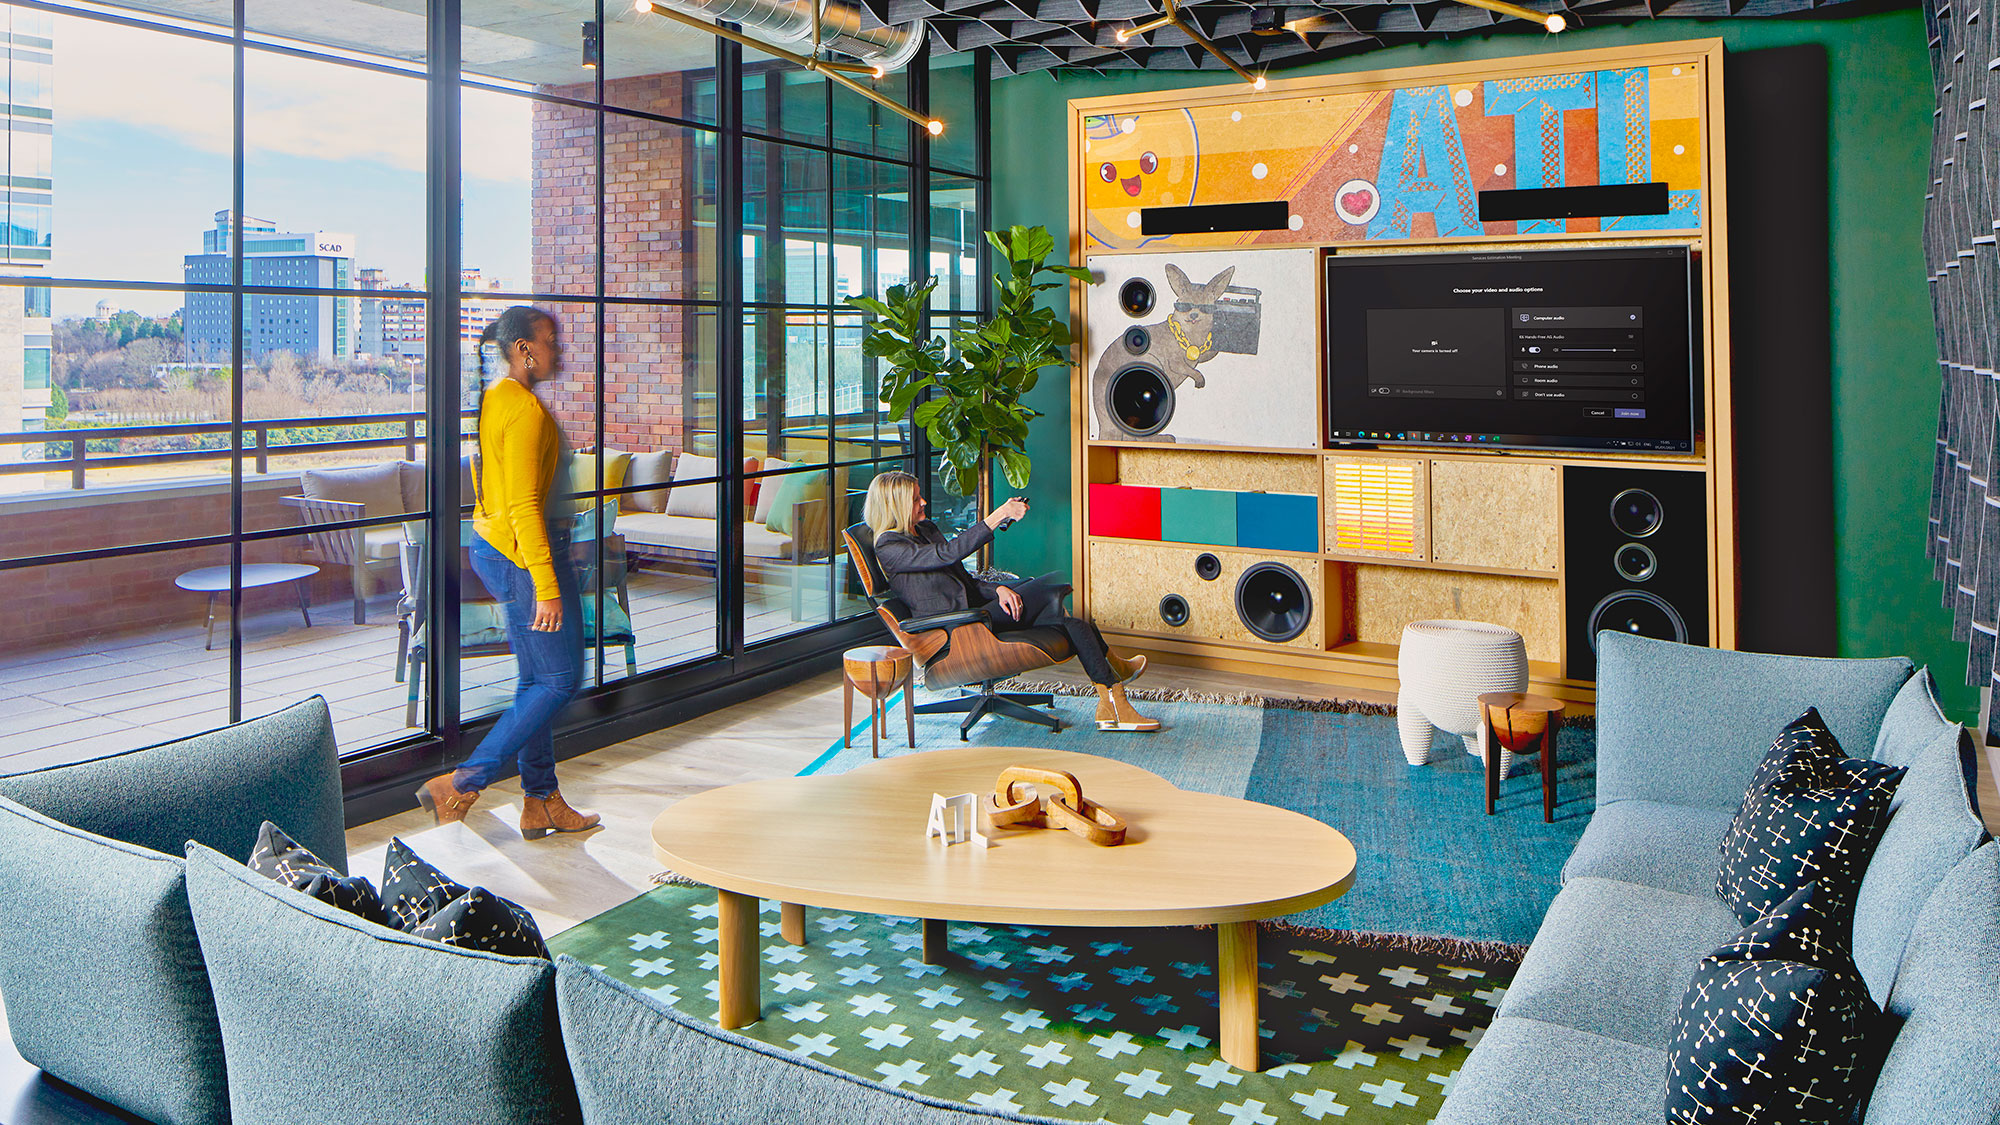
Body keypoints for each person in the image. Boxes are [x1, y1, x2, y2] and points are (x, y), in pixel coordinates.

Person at [417, 305, 602, 839]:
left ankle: (540, 800)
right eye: (549, 340)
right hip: (523, 555)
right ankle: (462, 782)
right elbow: (523, 504)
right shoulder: (522, 410)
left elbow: (489, 481)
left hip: (495, 545)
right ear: (523, 349)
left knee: (534, 680)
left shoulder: (497, 396)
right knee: (561, 678)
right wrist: (547, 585)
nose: (558, 350)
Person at [863, 470, 1159, 732]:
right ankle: (1113, 682)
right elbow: (948, 554)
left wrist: (999, 591)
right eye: (916, 500)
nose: (924, 502)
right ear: (896, 506)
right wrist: (999, 514)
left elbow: (962, 580)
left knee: (1067, 617)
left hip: (976, 610)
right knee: (1058, 585)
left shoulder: (923, 529)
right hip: (959, 628)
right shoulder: (889, 546)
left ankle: (1112, 700)